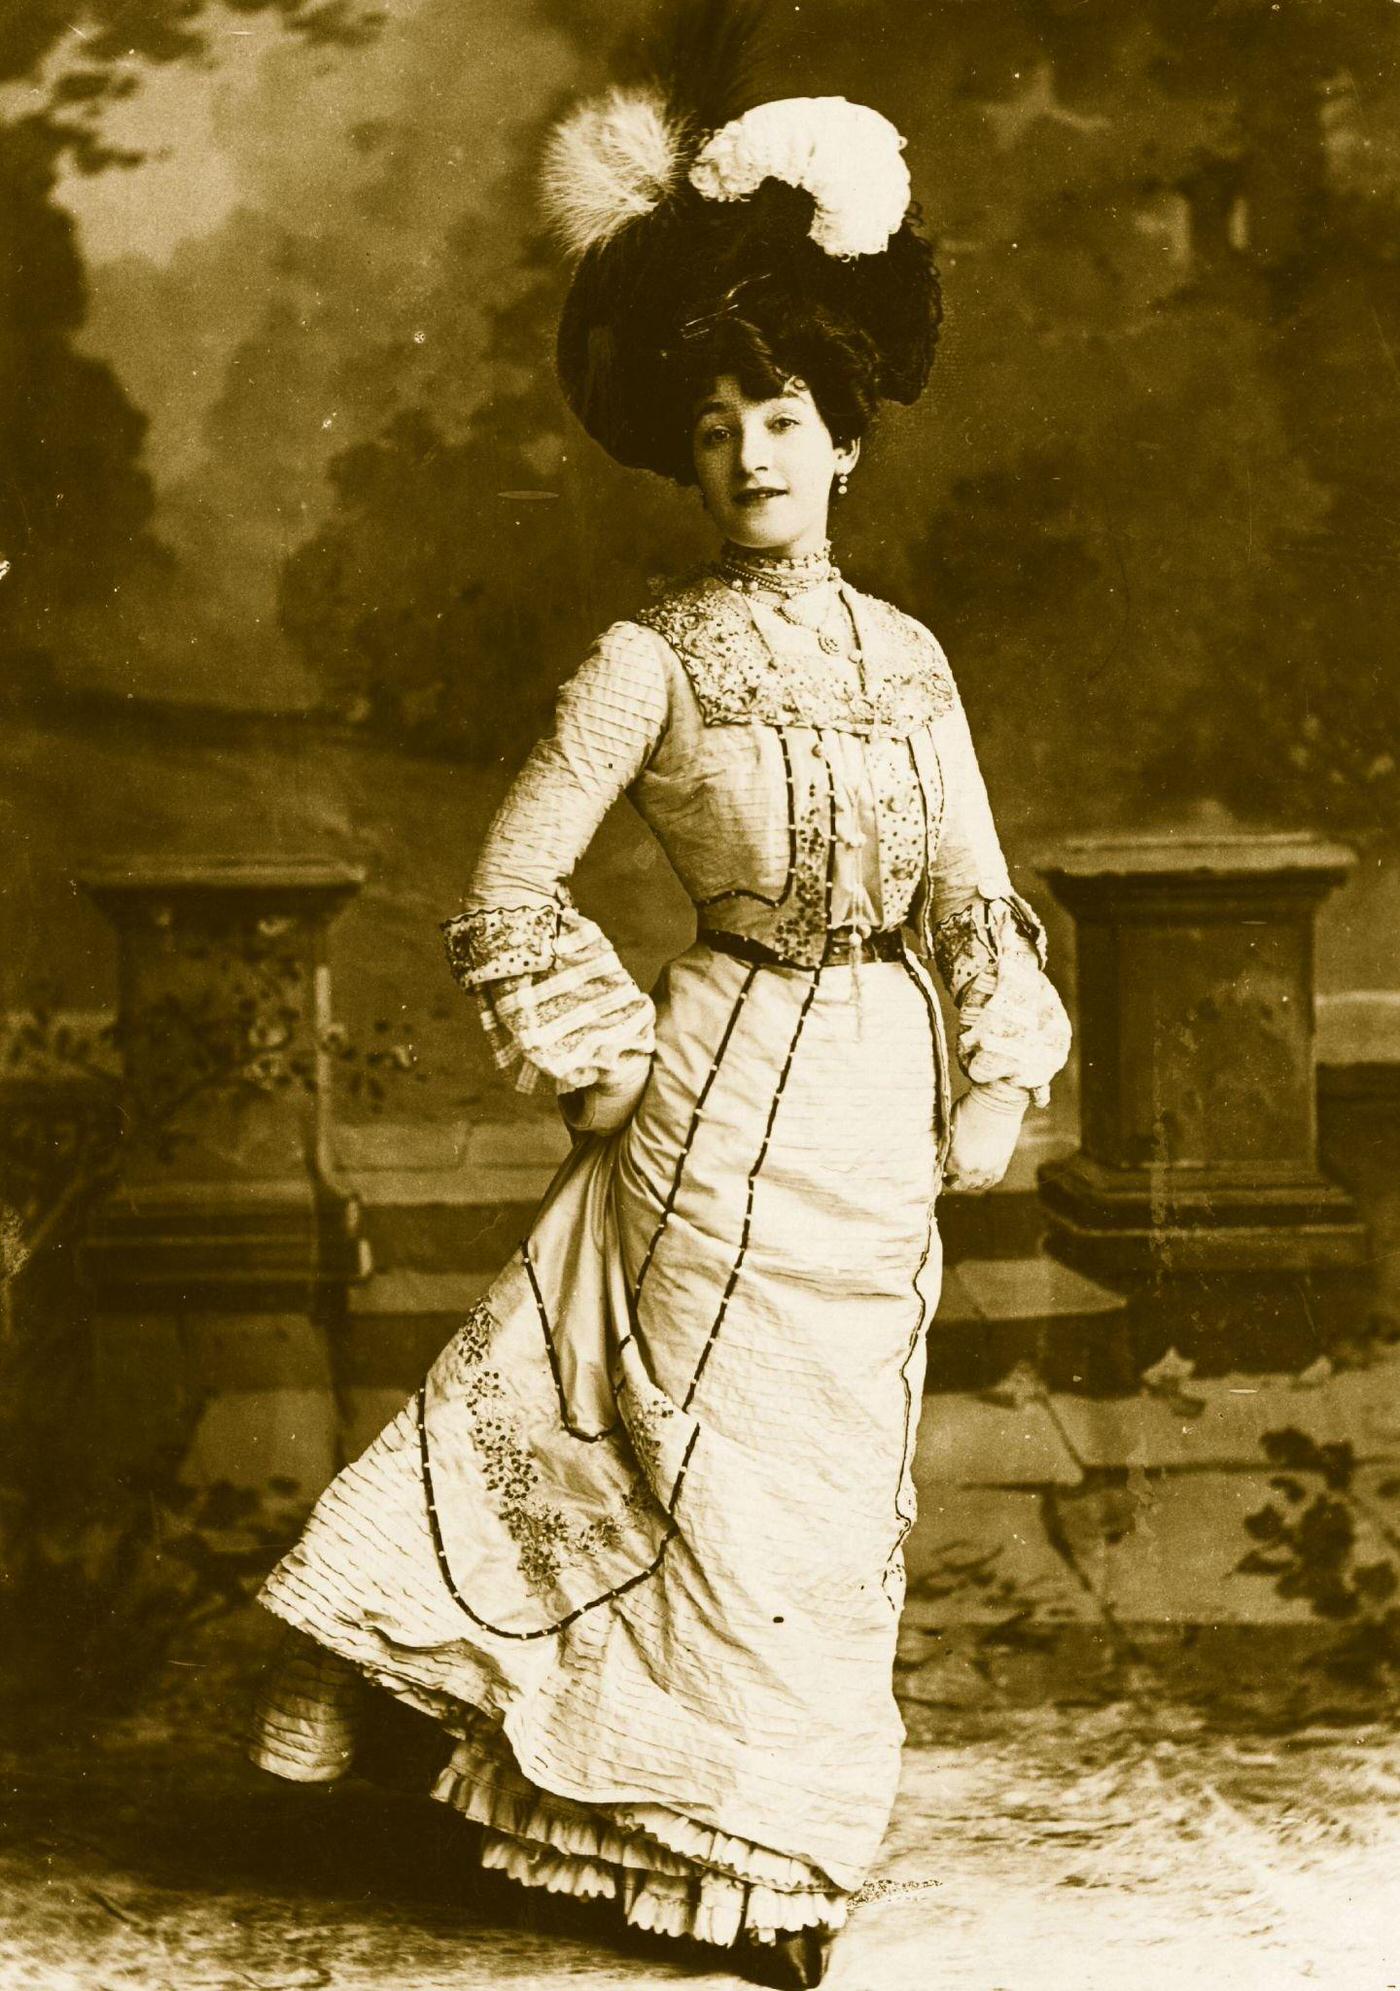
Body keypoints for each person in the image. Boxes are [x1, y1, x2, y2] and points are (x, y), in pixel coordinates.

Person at [248, 71, 1071, 1991]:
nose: (751, 458)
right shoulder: (646, 659)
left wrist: (993, 1060)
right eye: (713, 433)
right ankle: (751, 1874)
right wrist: (615, 1068)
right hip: (713, 1104)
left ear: (846, 439)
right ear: (683, 466)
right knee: (710, 1490)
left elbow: (968, 883)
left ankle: (742, 1839)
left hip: (878, 1119)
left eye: (781, 419)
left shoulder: (914, 663)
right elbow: (507, 890)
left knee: (831, 1498)